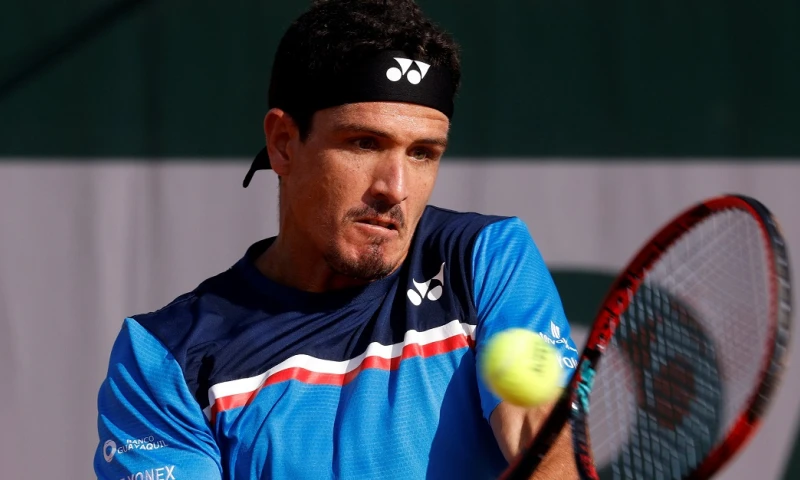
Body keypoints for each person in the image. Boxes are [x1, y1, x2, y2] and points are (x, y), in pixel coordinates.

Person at [94, 0, 580, 478]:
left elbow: (550, 458)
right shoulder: (165, 358)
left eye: (423, 153)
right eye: (364, 143)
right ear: (284, 143)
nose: (396, 187)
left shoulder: (483, 258)